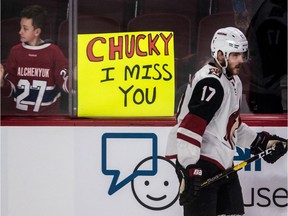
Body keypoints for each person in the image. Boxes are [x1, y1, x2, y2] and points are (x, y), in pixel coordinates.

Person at [165, 27, 287, 216]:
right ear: (220, 54)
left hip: (223, 164)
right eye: (235, 54)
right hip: (202, 163)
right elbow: (190, 128)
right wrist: (189, 168)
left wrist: (262, 142)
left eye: (242, 54)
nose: (241, 60)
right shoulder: (210, 82)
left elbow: (231, 126)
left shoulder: (232, 81)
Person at [0, 5, 69, 115]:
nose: (20, 32)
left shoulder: (53, 52)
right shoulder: (15, 51)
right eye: (20, 27)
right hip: (19, 120)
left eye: (25, 28)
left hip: (48, 121)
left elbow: (67, 86)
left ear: (37, 32)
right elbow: (10, 91)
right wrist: (2, 83)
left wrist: (75, 76)